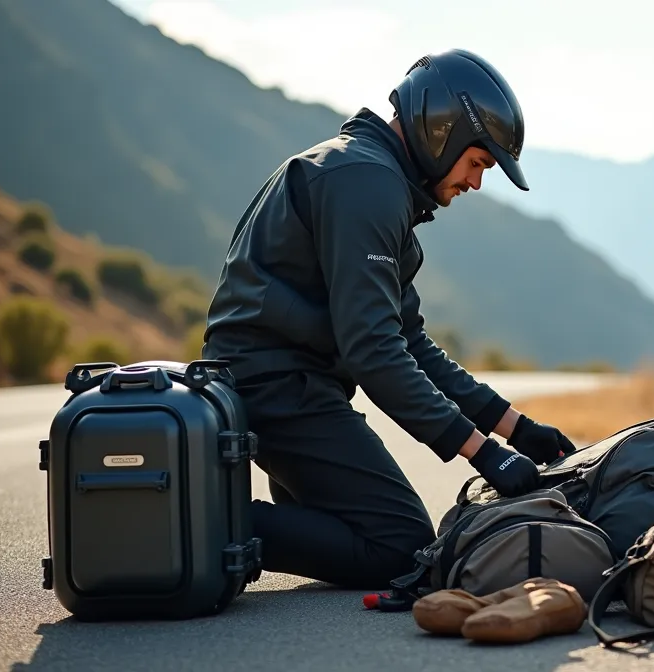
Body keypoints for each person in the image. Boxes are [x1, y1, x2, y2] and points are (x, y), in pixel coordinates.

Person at [200, 49, 578, 590]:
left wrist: (519, 430)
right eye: (477, 163)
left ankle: (246, 524)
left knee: (364, 529)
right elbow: (373, 353)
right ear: (440, 131)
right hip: (279, 389)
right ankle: (213, 527)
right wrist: (484, 454)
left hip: (286, 386)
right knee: (399, 545)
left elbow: (410, 345)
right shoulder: (366, 185)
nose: (476, 183)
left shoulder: (372, 178)